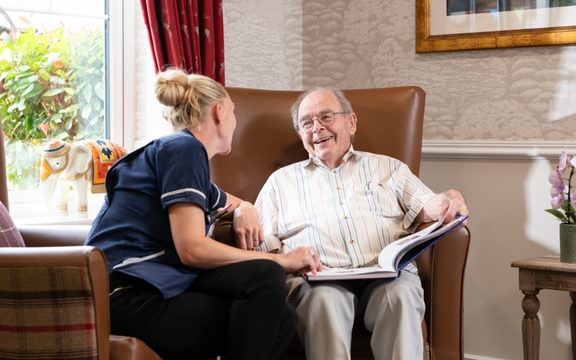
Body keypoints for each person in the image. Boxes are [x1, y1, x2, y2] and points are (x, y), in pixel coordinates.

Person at [85, 68, 322, 360]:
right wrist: (283, 260)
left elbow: (228, 200)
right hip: (127, 296)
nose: (236, 122)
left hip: (148, 285)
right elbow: (192, 249)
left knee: (280, 316)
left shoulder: (177, 153)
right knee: (269, 278)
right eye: (234, 112)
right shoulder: (185, 149)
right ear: (220, 112)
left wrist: (245, 208)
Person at [253, 87, 469, 360]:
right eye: (307, 123)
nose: (317, 128)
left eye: (326, 117)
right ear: (300, 134)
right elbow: (263, 246)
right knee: (324, 302)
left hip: (387, 276)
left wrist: (447, 200)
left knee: (400, 297)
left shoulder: (389, 168)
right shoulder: (279, 183)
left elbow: (429, 204)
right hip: (319, 280)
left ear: (351, 122)